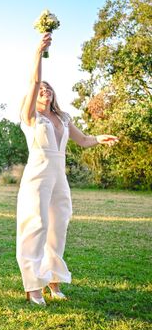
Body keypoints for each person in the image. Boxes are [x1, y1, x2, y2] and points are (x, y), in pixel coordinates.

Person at [18, 32, 118, 306]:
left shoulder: (62, 117)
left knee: (58, 226)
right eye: (41, 90)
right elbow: (34, 80)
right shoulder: (30, 117)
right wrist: (39, 52)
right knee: (36, 225)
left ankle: (53, 280)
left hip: (59, 177)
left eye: (48, 89)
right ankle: (33, 285)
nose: (45, 91)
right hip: (37, 175)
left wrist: (100, 138)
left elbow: (83, 140)